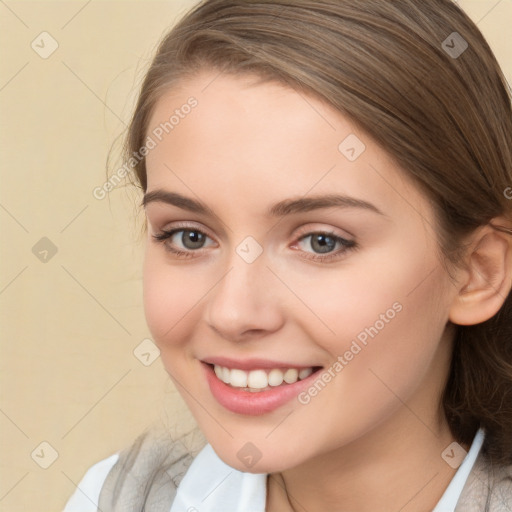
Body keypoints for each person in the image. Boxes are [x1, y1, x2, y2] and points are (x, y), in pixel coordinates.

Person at [63, 0, 512, 510]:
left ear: (479, 272)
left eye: (322, 242)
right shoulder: (116, 499)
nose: (232, 313)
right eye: (189, 236)